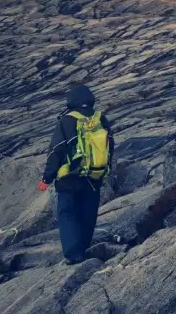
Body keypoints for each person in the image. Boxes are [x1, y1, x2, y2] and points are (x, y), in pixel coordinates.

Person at [37, 85, 114, 265]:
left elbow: (56, 151)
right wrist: (104, 169)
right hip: (94, 175)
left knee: (67, 212)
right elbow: (110, 145)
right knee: (89, 211)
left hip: (69, 176)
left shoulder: (66, 120)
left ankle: (73, 254)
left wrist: (46, 178)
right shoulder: (100, 118)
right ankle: (83, 246)